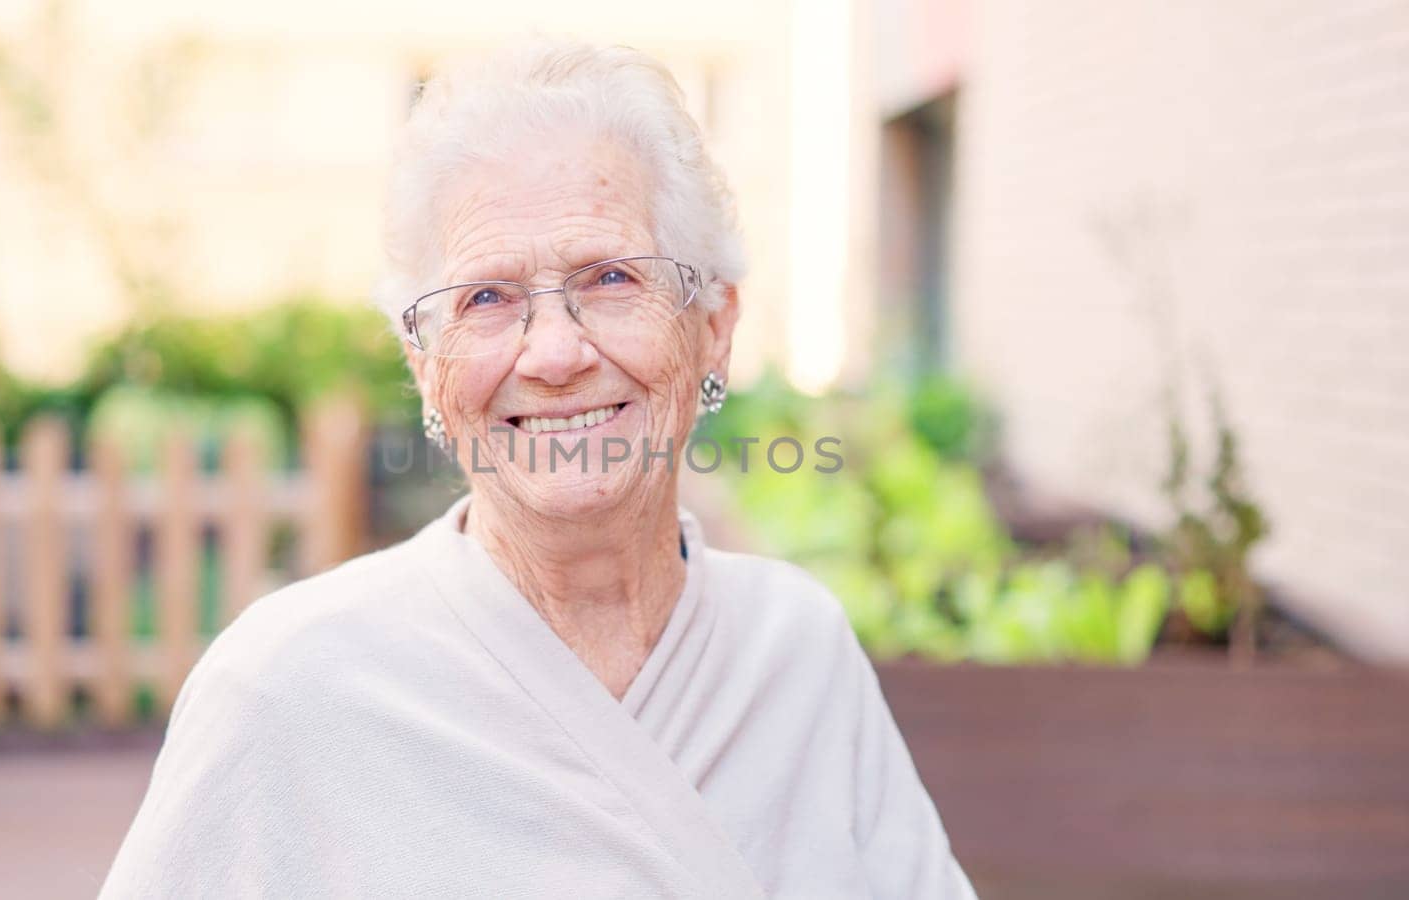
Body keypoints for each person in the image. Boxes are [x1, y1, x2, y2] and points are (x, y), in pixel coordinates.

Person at [101, 39, 975, 899]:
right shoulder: (288, 687)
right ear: (425, 369)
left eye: (609, 279)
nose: (554, 353)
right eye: (486, 297)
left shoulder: (795, 648)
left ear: (713, 325)